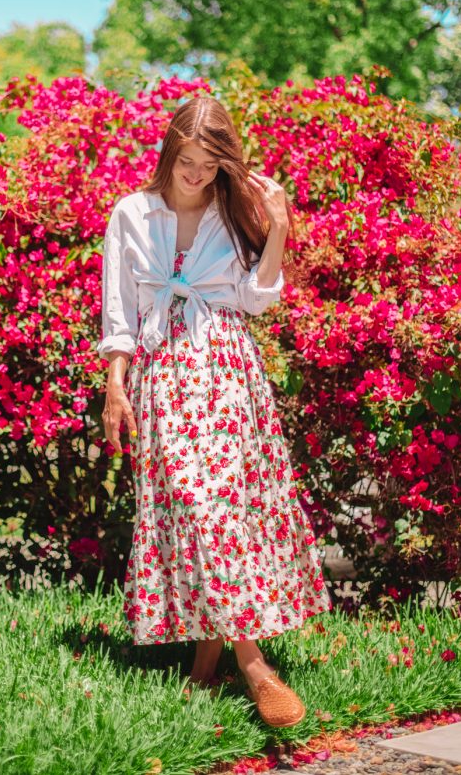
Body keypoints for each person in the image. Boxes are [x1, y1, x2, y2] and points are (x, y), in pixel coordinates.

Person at [98, 96, 332, 727]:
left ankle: (220, 660)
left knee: (223, 509)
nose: (196, 174)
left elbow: (258, 301)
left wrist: (278, 226)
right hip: (162, 375)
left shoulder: (234, 215)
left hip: (228, 371)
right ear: (169, 151)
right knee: (192, 506)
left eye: (209, 164)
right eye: (187, 160)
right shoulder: (132, 214)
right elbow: (119, 310)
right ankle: (249, 664)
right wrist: (116, 386)